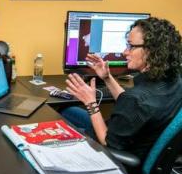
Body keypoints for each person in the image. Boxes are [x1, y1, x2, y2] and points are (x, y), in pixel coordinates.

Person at [62, 17, 182, 162]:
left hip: (117, 155)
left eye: (131, 46)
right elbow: (132, 107)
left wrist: (91, 103)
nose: (125, 52)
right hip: (131, 136)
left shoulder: (137, 99)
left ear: (152, 51)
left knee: (62, 120)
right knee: (67, 111)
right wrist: (107, 77)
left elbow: (107, 142)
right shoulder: (173, 80)